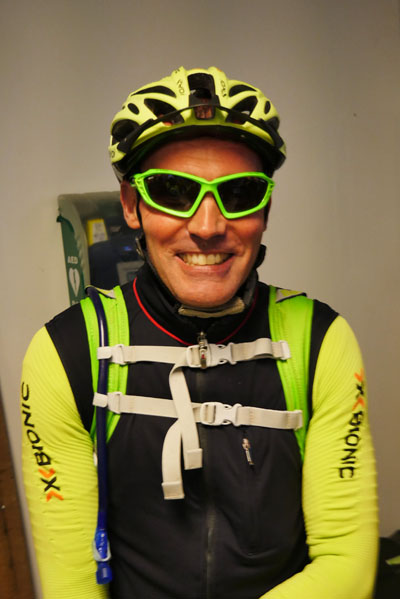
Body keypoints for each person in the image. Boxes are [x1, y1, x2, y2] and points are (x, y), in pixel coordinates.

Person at [21, 66, 378, 599]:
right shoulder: (67, 354)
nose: (207, 225)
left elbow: (346, 563)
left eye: (240, 193)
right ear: (131, 205)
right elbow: (72, 584)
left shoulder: (321, 340)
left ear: (265, 208)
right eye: (173, 191)